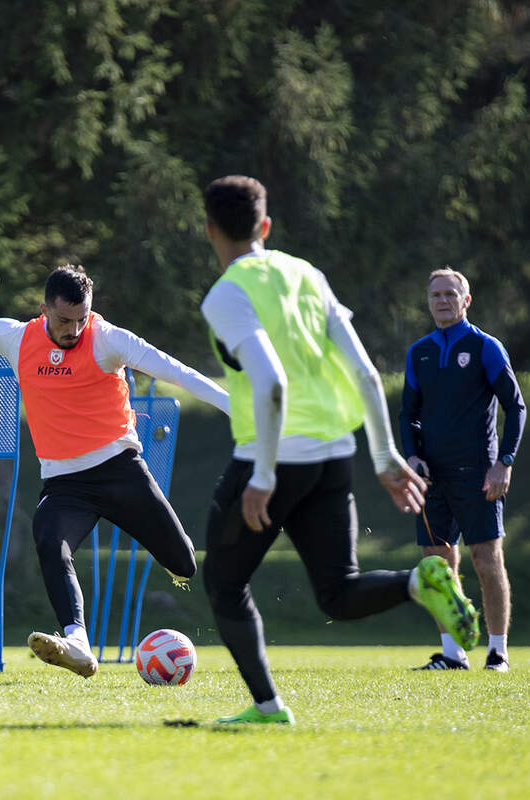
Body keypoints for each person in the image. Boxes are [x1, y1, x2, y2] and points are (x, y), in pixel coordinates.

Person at [0, 259, 229, 677]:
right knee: (49, 538)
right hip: (65, 481)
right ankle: (78, 642)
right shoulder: (16, 338)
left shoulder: (108, 340)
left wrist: (238, 410)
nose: (73, 329)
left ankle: (99, 627)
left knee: (183, 564)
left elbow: (177, 371)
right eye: (64, 319)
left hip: (122, 471)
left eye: (81, 318)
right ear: (44, 308)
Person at [198, 175, 479, 725]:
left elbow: (271, 383)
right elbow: (366, 374)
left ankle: (268, 707)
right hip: (332, 457)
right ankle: (417, 581)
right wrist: (383, 457)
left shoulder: (226, 295)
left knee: (224, 584)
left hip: (275, 461)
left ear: (210, 231)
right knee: (338, 592)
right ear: (266, 226)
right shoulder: (307, 274)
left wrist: (261, 475)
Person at [400, 268, 526, 672]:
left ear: (466, 300)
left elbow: (516, 406)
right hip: (431, 478)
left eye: (450, 294)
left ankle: (497, 651)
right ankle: (453, 653)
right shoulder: (419, 351)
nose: (442, 300)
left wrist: (503, 462)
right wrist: (413, 456)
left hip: (477, 474)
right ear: (428, 300)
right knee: (438, 567)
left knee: (487, 562)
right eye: (435, 294)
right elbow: (408, 414)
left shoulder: (486, 347)